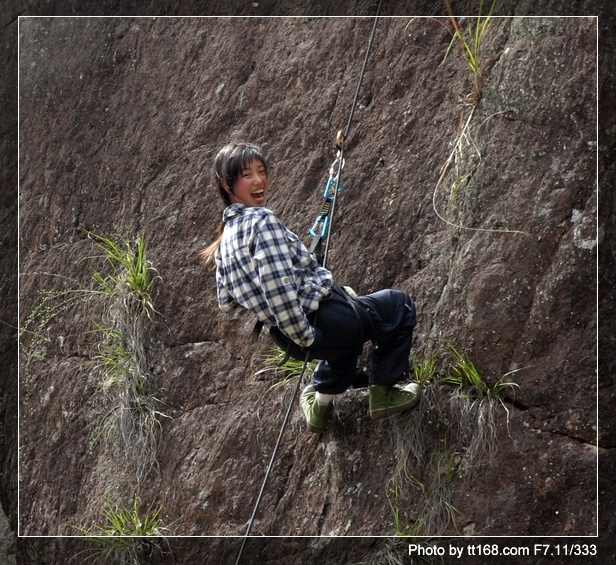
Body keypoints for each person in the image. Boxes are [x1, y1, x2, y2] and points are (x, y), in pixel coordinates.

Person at [201, 141, 421, 433]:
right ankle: (384, 392)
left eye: (262, 171)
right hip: (316, 322)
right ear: (226, 185)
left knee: (342, 348)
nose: (259, 180)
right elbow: (278, 289)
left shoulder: (224, 241)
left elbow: (227, 303)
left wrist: (275, 307)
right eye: (246, 175)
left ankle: (320, 405)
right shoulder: (261, 221)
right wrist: (304, 332)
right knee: (396, 305)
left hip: (284, 337)